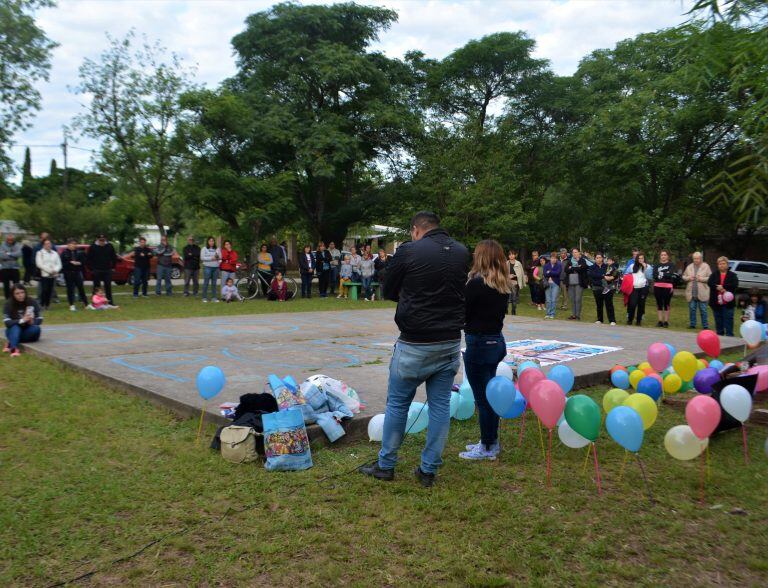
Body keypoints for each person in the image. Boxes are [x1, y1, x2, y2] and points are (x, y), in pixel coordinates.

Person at [359, 211, 469, 488]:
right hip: (449, 339)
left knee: (397, 403)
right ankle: (428, 470)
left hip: (415, 341)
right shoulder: (461, 251)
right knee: (440, 406)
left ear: (416, 230)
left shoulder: (409, 251)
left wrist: (412, 295)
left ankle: (386, 465)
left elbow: (388, 290)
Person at [459, 239, 510, 461]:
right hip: (495, 342)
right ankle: (490, 440)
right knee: (490, 396)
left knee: (483, 399)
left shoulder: (476, 284)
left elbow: (464, 313)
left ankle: (488, 446)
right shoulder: (502, 284)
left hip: (479, 344)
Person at [3, 284, 42, 357]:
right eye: (17, 293)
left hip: (28, 330)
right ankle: (14, 349)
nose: (20, 295)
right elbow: (7, 323)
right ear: (13, 295)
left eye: (22, 292)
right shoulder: (8, 304)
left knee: (36, 329)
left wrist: (33, 322)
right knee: (15, 327)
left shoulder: (32, 301)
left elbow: (40, 318)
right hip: (13, 330)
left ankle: (11, 342)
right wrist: (22, 320)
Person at [708, 256, 738, 337]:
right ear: (717, 265)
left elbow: (734, 285)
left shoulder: (732, 275)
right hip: (716, 302)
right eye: (720, 264)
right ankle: (720, 335)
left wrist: (723, 287)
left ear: (727, 265)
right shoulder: (714, 274)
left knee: (728, 319)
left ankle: (729, 335)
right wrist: (717, 287)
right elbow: (710, 283)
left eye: (723, 263)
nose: (721, 265)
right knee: (718, 319)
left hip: (728, 303)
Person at [683, 251, 711, 329]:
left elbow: (710, 278)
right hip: (691, 293)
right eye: (694, 259)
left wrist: (701, 279)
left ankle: (705, 326)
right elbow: (684, 276)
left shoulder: (706, 266)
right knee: (692, 309)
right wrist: (688, 278)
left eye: (698, 258)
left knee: (703, 310)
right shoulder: (689, 267)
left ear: (701, 258)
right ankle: (692, 324)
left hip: (703, 292)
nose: (696, 260)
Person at [86, 234, 117, 305]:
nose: (102, 242)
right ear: (97, 240)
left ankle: (109, 302)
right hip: (96, 270)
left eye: (103, 240)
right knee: (96, 287)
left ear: (105, 240)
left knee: (108, 286)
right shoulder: (93, 247)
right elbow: (88, 259)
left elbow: (114, 257)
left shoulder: (109, 246)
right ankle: (95, 302)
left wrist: (113, 267)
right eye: (100, 240)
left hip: (107, 269)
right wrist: (91, 269)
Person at [588, 253, 616, 325]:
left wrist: (611, 277)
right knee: (599, 304)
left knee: (609, 304)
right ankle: (600, 319)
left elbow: (615, 273)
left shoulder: (607, 266)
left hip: (607, 288)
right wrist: (603, 276)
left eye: (600, 257)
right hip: (597, 288)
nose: (598, 259)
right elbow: (592, 276)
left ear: (602, 258)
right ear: (595, 259)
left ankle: (612, 320)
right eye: (597, 258)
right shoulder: (592, 267)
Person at [60, 239, 88, 310]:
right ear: (68, 244)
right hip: (68, 273)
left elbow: (84, 261)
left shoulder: (79, 252)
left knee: (81, 288)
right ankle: (71, 304)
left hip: (77, 272)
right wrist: (70, 262)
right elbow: (62, 264)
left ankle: (86, 304)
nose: (74, 245)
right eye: (73, 244)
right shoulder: (64, 253)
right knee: (70, 289)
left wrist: (80, 263)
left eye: (75, 244)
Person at [35, 238, 61, 310]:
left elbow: (59, 264)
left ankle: (48, 305)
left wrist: (55, 270)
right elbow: (39, 264)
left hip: (53, 275)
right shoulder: (40, 253)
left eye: (49, 243)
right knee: (44, 290)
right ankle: (42, 304)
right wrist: (50, 271)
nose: (48, 245)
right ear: (43, 245)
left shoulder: (55, 253)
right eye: (46, 244)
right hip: (44, 275)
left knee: (50, 291)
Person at [653, 250, 675, 328]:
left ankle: (665, 321)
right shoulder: (656, 265)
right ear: (660, 256)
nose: (663, 256)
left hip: (668, 286)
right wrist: (665, 273)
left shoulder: (671, 265)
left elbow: (670, 274)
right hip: (657, 286)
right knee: (659, 304)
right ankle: (660, 321)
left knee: (666, 304)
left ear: (667, 256)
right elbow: (654, 275)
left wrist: (661, 274)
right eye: (662, 255)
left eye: (665, 255)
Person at [564, 247, 588, 320]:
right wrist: (576, 267)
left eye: (576, 252)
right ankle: (573, 315)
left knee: (578, 299)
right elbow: (566, 270)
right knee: (572, 299)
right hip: (571, 282)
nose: (574, 253)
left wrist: (572, 268)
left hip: (579, 282)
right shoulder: (569, 261)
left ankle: (577, 315)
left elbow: (582, 269)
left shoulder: (582, 261)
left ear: (579, 253)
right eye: (573, 252)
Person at [627, 252, 649, 326]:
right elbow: (626, 274)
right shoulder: (632, 266)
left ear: (644, 259)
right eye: (639, 258)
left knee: (641, 305)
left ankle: (638, 321)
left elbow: (649, 277)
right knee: (632, 304)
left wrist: (645, 268)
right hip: (634, 288)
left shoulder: (648, 266)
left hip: (643, 288)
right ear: (637, 259)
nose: (640, 260)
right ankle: (630, 319)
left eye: (642, 258)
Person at [0, 233, 22, 299]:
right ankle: (8, 299)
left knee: (16, 285)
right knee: (6, 285)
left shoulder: (17, 245)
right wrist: (13, 256)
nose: (10, 241)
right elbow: (1, 255)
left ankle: (16, 298)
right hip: (5, 268)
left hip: (15, 267)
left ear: (13, 239)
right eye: (9, 239)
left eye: (11, 239)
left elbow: (19, 254)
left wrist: (8, 253)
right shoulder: (2, 245)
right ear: (6, 239)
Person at [200, 237, 220, 303]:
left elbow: (220, 257)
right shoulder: (204, 248)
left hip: (216, 268)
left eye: (212, 241)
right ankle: (204, 298)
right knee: (206, 283)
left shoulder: (217, 249)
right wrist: (211, 258)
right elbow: (202, 257)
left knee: (214, 283)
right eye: (210, 241)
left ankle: (214, 298)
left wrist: (217, 257)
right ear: (208, 242)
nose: (211, 242)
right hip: (207, 267)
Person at [506, 249, 525, 315]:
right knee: (507, 298)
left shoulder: (518, 263)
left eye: (512, 254)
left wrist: (515, 275)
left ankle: (513, 311)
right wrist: (508, 276)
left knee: (514, 298)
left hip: (515, 283)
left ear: (515, 255)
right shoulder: (506, 263)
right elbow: (503, 273)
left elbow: (521, 273)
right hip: (507, 283)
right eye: (510, 254)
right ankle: (506, 311)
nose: (511, 256)